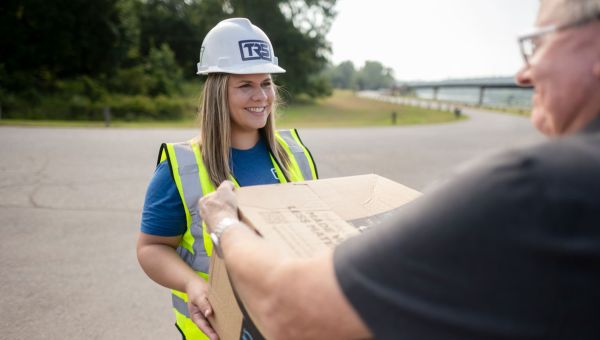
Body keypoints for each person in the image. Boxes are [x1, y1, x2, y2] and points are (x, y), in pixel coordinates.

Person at [198, 0, 600, 339]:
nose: (523, 74)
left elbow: (290, 310)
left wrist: (224, 224)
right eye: (245, 84)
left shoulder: (536, 188)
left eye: (541, 42)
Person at [136, 18, 318, 340]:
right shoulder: (183, 166)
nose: (261, 96)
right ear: (219, 91)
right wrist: (193, 284)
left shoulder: (296, 155)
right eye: (245, 85)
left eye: (265, 83)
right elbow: (151, 248)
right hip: (219, 330)